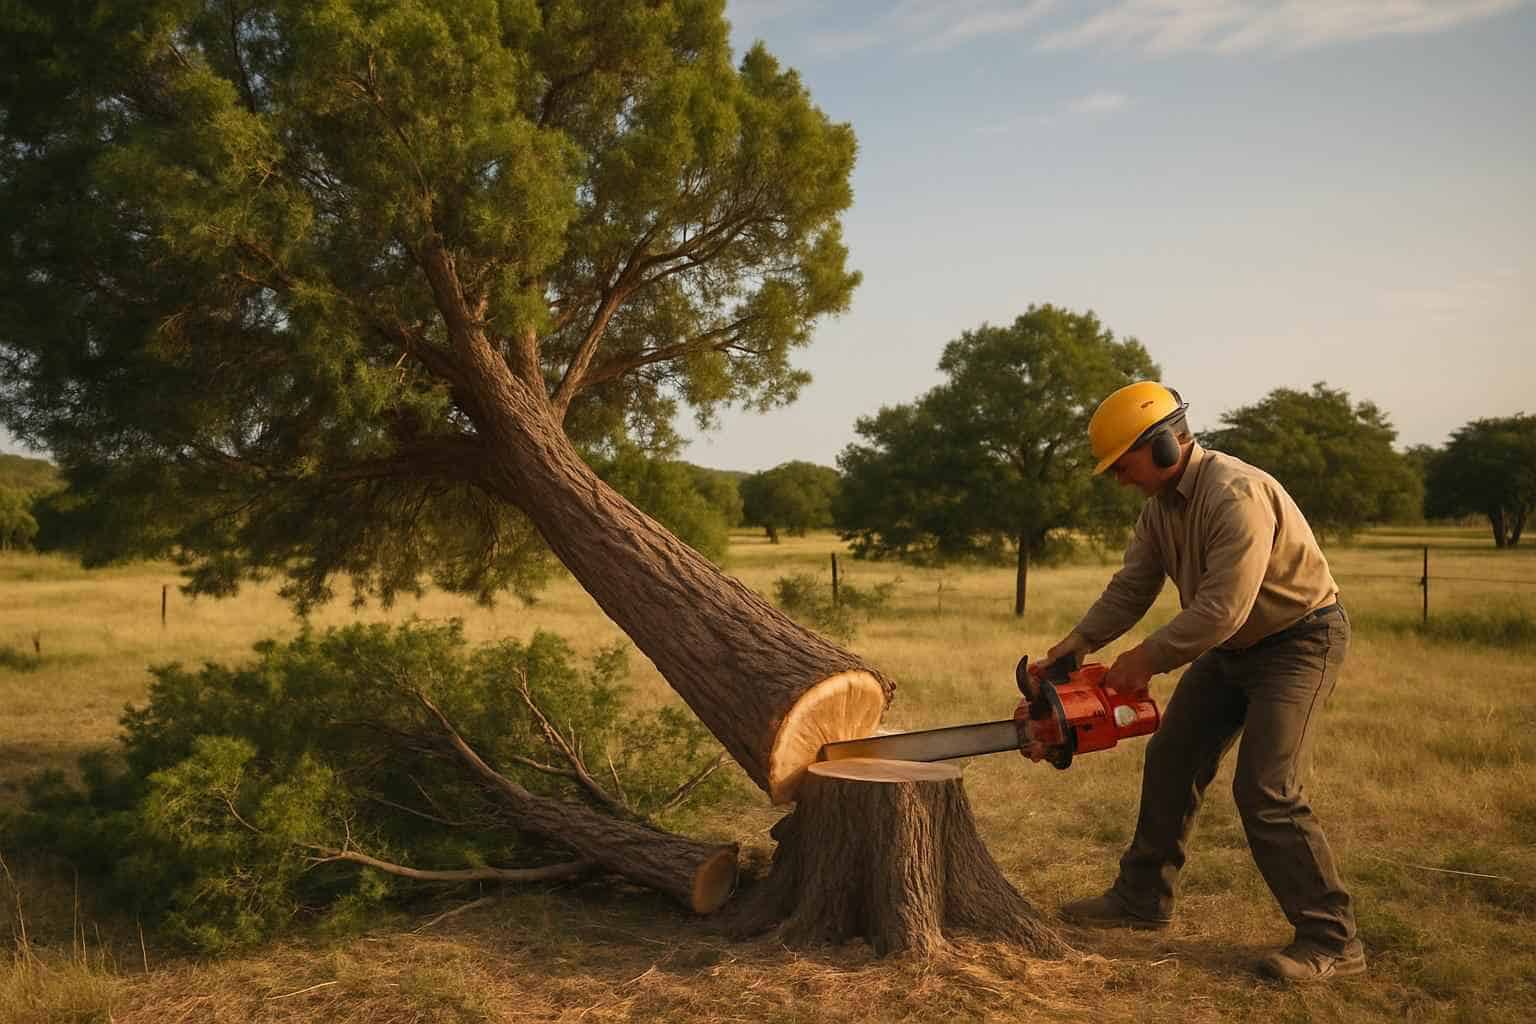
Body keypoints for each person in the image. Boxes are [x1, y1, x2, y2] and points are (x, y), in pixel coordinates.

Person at [1043, 380, 1362, 984]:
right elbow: (1132, 587)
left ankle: (1332, 939)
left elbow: (1222, 608)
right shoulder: (1158, 510)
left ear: (1163, 445)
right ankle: (1142, 900)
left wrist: (1144, 660)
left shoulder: (1234, 493)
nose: (1119, 478)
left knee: (1267, 790)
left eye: (1123, 464)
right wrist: (1080, 642)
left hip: (1299, 641)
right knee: (1172, 757)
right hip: (1230, 650)